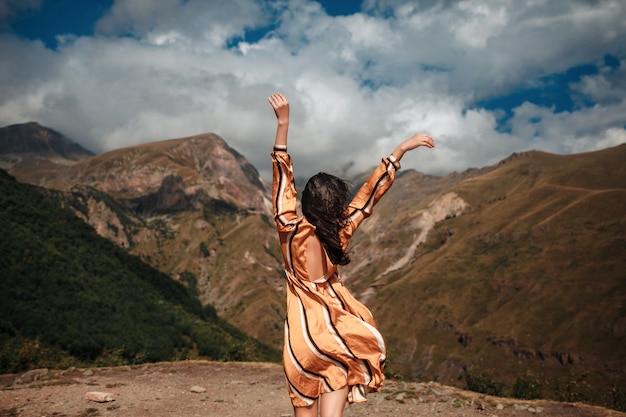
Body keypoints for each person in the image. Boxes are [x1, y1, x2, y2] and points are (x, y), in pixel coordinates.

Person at [268, 92, 435, 417]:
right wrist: (401, 149)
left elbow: (281, 178)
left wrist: (283, 123)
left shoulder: (289, 230)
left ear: (305, 205)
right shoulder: (341, 230)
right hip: (339, 334)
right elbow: (369, 194)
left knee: (304, 410)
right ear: (338, 208)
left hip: (303, 339)